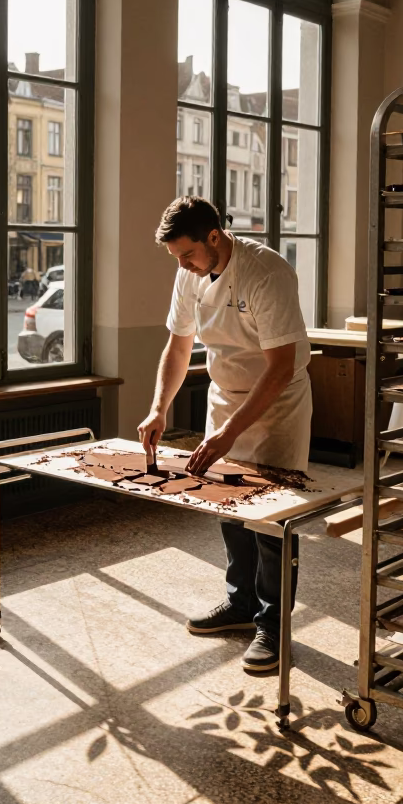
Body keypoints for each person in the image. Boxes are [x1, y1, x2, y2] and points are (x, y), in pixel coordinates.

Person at [138, 197, 312, 673]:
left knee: (270, 517)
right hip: (227, 395)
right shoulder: (188, 272)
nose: (184, 266)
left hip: (276, 404)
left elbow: (279, 368)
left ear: (214, 237)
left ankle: (275, 624)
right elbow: (178, 347)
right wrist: (159, 409)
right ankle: (240, 604)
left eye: (188, 254)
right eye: (177, 259)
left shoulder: (267, 273)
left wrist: (227, 436)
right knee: (227, 507)